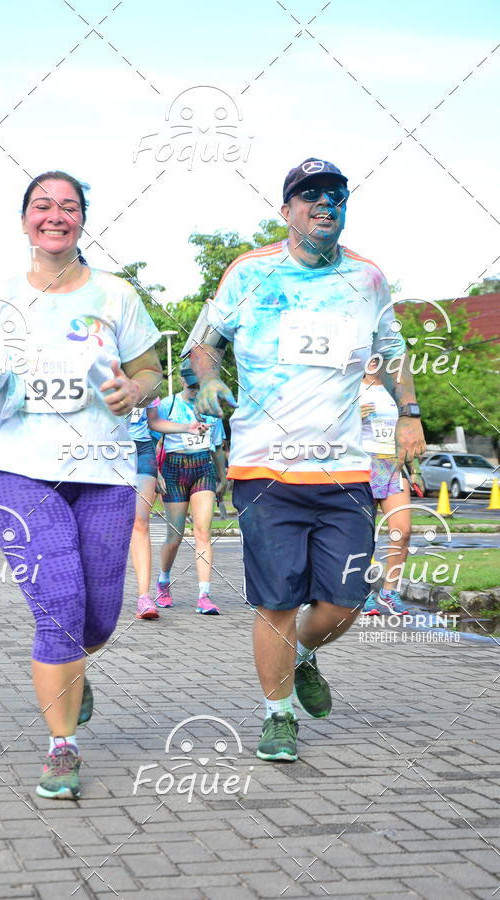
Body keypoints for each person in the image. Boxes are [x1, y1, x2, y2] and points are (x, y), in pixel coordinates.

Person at [185, 157, 425, 761]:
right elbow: (201, 346)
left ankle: (306, 656)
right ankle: (277, 716)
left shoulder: (367, 279)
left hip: (344, 468)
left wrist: (409, 414)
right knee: (276, 603)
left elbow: (392, 352)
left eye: (337, 196)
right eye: (311, 195)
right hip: (265, 467)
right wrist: (209, 381)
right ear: (286, 209)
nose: (325, 204)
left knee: (345, 600)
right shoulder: (249, 273)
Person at [0, 171, 163, 799]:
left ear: (81, 220)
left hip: (102, 471)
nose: (55, 215)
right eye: (42, 206)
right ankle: (62, 747)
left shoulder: (117, 296)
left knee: (98, 620)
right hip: (19, 468)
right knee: (60, 609)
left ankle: (73, 670)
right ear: (24, 221)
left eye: (68, 207)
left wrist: (136, 388)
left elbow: (150, 369)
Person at [147, 361, 227, 615]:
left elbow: (217, 446)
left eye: (198, 385)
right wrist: (156, 473)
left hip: (202, 466)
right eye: (191, 385)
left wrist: (222, 476)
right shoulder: (168, 405)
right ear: (182, 381)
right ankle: (163, 581)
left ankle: (204, 595)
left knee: (202, 532)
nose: (194, 389)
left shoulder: (211, 408)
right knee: (175, 536)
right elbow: (153, 442)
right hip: (174, 468)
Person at [125, 399, 209, 620]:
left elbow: (154, 422)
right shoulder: (100, 372)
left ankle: (144, 597)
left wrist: (186, 427)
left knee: (141, 521)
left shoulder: (146, 375)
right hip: (106, 447)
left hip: (142, 449)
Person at [360, 360, 412, 615]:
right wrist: (351, 416)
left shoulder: (397, 390)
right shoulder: (349, 387)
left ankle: (389, 592)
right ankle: (364, 593)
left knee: (402, 531)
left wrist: (416, 469)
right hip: (359, 466)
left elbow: (410, 429)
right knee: (360, 537)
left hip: (392, 466)